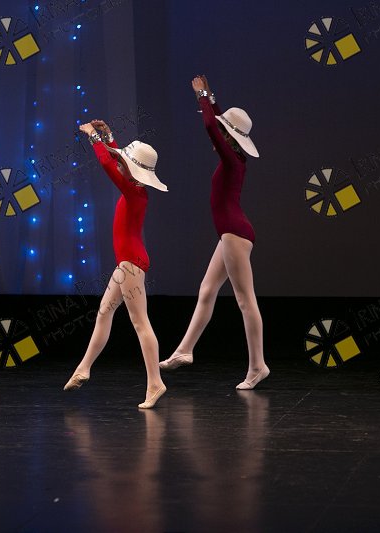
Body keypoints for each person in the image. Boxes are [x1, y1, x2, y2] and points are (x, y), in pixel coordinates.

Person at [159, 75, 269, 390]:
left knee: (245, 300)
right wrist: (211, 97)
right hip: (231, 234)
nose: (219, 134)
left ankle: (257, 366)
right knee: (207, 291)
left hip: (234, 233)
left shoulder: (232, 160)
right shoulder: (235, 157)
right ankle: (185, 350)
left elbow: (211, 126)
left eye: (224, 132)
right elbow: (217, 124)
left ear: (230, 138)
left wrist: (202, 96)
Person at [63, 119, 168, 408]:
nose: (121, 164)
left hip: (131, 263)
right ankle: (83, 368)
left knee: (140, 322)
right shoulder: (135, 189)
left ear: (133, 171)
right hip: (127, 263)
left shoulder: (133, 192)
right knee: (104, 312)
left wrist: (93, 137)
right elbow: (116, 160)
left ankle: (155, 382)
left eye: (126, 163)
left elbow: (108, 165)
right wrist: (108, 135)